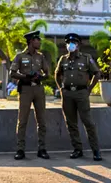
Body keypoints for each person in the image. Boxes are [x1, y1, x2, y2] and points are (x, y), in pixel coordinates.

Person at [55, 33, 102, 161]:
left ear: (78, 45)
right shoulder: (63, 59)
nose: (71, 45)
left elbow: (97, 73)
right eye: (69, 43)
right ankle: (77, 149)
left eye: (74, 43)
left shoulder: (86, 58)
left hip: (82, 93)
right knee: (71, 123)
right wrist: (61, 88)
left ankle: (96, 150)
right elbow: (57, 73)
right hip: (67, 94)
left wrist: (89, 89)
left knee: (88, 122)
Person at [10, 30, 50, 160]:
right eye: (37, 40)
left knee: (42, 120)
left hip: (38, 89)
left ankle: (42, 149)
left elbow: (47, 72)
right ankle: (20, 149)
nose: (39, 42)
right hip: (26, 90)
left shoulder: (41, 57)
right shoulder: (20, 56)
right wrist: (26, 76)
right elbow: (13, 73)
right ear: (31, 41)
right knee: (22, 121)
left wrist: (41, 77)